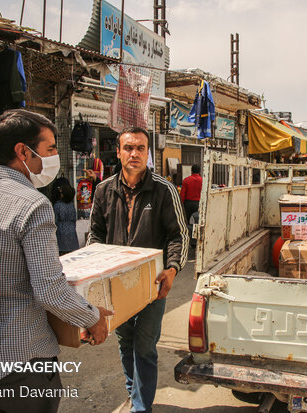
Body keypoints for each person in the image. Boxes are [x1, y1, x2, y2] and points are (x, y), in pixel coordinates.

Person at [0, 109, 113, 413]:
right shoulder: (32, 204)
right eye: (50, 149)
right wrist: (93, 318)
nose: (55, 156)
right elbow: (50, 290)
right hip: (21, 366)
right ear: (22, 151)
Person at [88, 126, 188, 413]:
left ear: (148, 153)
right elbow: (95, 234)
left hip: (151, 285)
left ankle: (141, 407)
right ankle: (136, 396)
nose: (134, 153)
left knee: (144, 347)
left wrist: (172, 268)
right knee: (126, 343)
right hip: (115, 286)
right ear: (118, 152)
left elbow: (178, 235)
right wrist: (96, 273)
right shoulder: (103, 190)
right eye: (128, 148)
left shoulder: (163, 190)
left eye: (140, 148)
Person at [51, 179, 80, 255]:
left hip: (61, 232)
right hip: (72, 232)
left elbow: (55, 221)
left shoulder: (57, 205)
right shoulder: (71, 205)